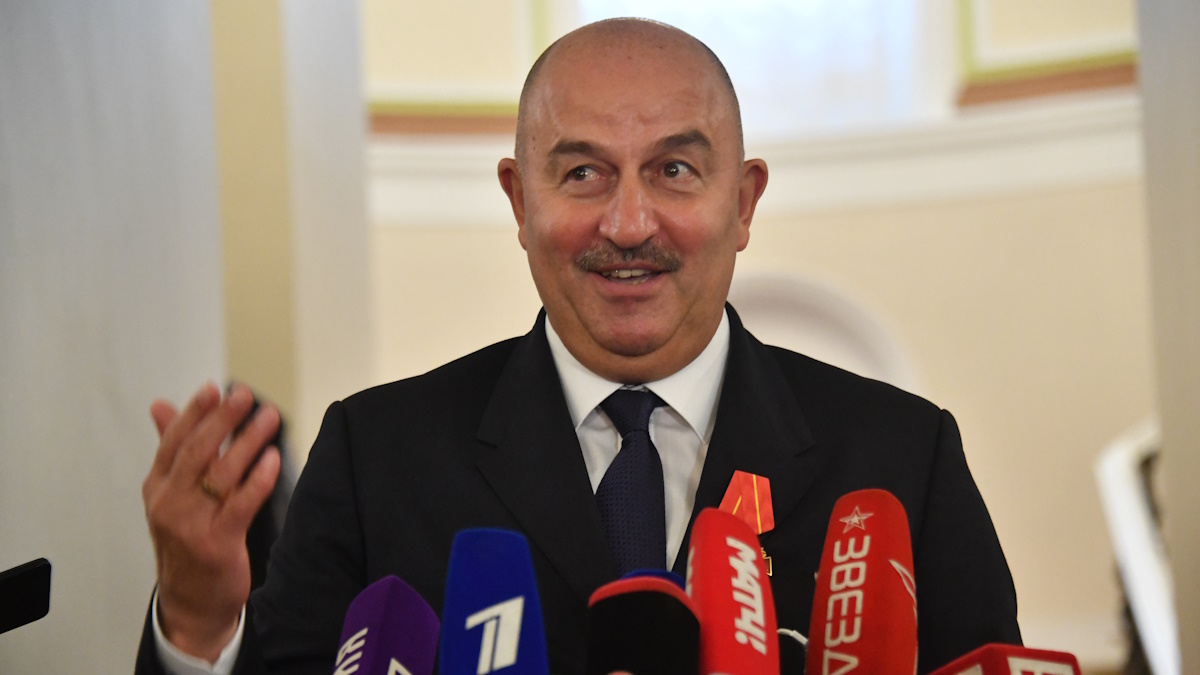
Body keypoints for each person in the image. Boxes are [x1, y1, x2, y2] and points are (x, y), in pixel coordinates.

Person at [137, 18, 1021, 675]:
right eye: (583, 173)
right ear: (520, 202)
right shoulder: (377, 457)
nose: (628, 224)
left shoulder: (903, 459)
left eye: (674, 170)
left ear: (743, 202)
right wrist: (198, 624)